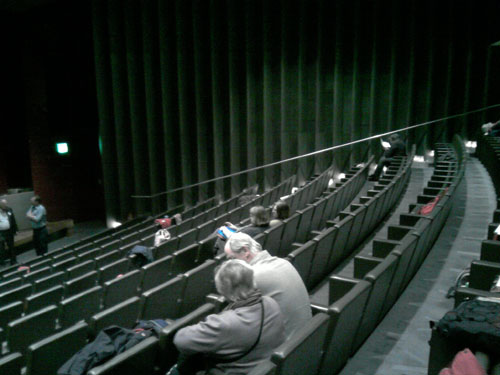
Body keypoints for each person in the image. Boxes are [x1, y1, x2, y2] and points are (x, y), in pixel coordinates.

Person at [172, 259, 285, 375]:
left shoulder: (225, 324)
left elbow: (180, 340)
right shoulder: (271, 303)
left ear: (225, 292)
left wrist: (207, 323)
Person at [224, 232, 312, 338]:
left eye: (232, 259)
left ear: (245, 251)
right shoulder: (283, 262)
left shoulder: (253, 276)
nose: (231, 264)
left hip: (284, 345)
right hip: (307, 336)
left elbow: (233, 315)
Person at [0, 199, 18, 265]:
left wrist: (15, 230)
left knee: (11, 246)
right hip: (1, 233)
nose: (5, 206)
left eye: (5, 204)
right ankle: (2, 262)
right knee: (1, 248)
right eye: (3, 205)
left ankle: (13, 260)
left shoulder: (9, 209)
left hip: (9, 231)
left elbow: (13, 220)